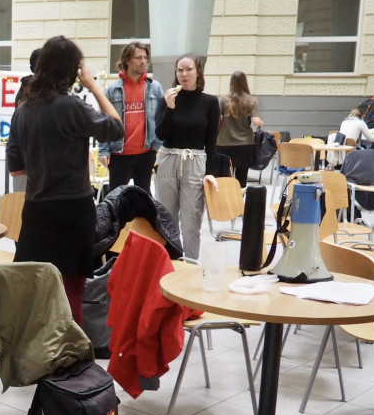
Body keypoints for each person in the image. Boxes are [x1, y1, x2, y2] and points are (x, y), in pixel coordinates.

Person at [6, 35, 124, 324]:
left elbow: (16, 169)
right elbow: (116, 128)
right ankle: (72, 350)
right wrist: (93, 85)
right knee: (71, 293)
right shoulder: (72, 107)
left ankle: (36, 347)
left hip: (37, 210)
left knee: (35, 291)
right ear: (73, 71)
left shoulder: (22, 111)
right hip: (73, 210)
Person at [155, 53, 221, 261]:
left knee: (191, 221)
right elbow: (160, 134)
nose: (184, 74)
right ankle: (169, 263)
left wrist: (210, 172)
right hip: (168, 159)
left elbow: (211, 141)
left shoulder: (210, 102)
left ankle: (191, 264)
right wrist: (170, 108)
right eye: (180, 70)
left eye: (189, 69)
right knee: (166, 218)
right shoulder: (168, 98)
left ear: (198, 72)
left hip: (195, 161)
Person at [97, 42, 164, 194]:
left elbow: (162, 118)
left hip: (146, 153)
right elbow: (104, 122)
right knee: (116, 198)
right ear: (127, 60)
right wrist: (104, 151)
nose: (143, 61)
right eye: (138, 57)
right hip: (118, 154)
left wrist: (157, 146)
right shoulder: (113, 90)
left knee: (144, 197)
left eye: (145, 57)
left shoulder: (154, 88)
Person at [216, 71, 263, 188]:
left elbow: (216, 120)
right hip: (245, 144)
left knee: (223, 178)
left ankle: (225, 197)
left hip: (224, 143)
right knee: (241, 180)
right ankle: (239, 198)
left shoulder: (223, 100)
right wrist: (259, 122)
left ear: (231, 83)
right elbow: (257, 121)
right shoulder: (251, 101)